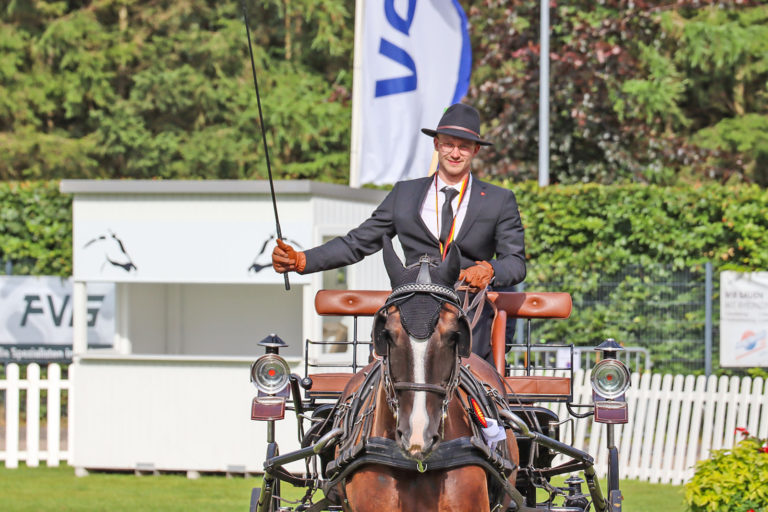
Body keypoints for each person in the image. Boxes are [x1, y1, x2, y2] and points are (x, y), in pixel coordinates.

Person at [272, 103, 526, 362]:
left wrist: (490, 270)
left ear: (475, 150)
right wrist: (302, 260)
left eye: (463, 146)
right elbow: (357, 243)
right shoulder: (405, 194)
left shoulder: (499, 200)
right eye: (449, 144)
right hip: (412, 306)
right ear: (436, 144)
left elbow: (515, 262)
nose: (455, 153)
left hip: (468, 311)